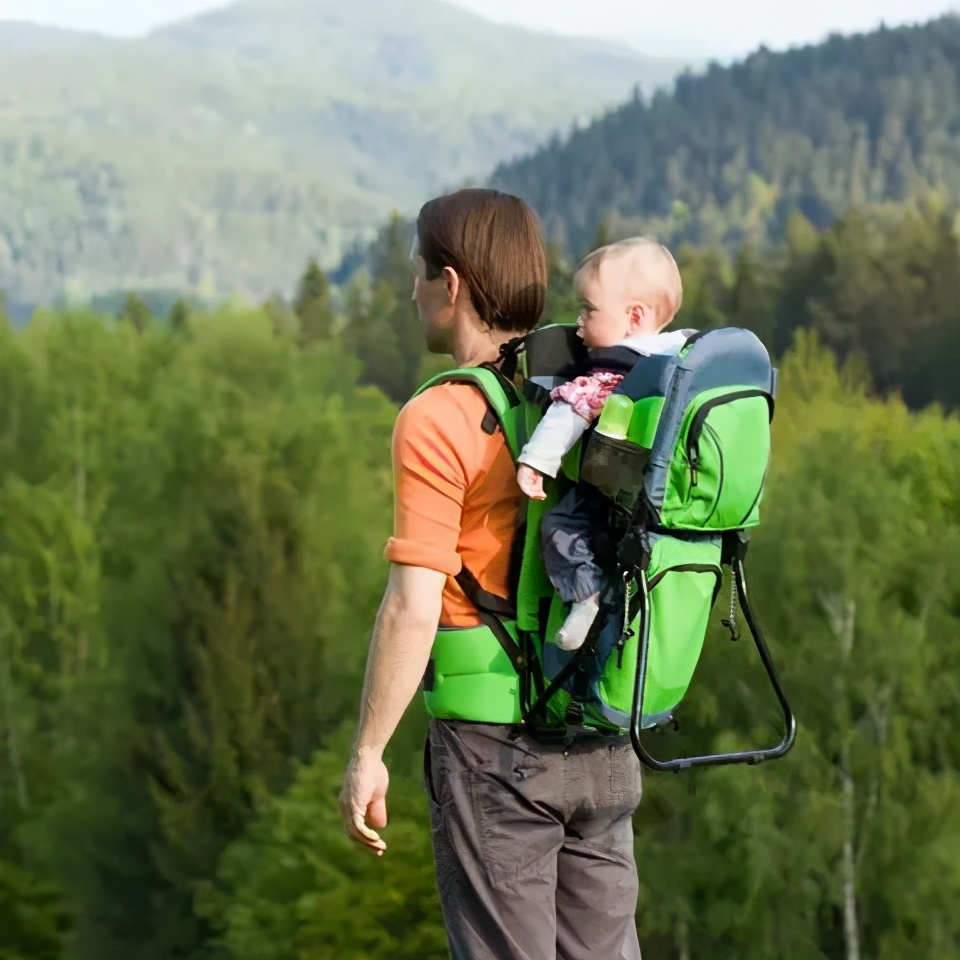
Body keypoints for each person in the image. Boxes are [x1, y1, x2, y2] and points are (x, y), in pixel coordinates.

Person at [339, 188, 645, 960]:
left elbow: (413, 608)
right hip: (602, 734)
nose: (411, 289)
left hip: (495, 752)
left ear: (452, 286)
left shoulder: (441, 417)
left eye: (417, 273)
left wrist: (367, 751)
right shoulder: (597, 390)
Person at [516, 238, 689, 650]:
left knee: (560, 528)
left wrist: (534, 462)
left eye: (589, 310)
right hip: (665, 498)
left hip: (612, 492)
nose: (579, 322)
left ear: (634, 316)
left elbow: (569, 411)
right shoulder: (681, 355)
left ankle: (585, 598)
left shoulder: (614, 370)